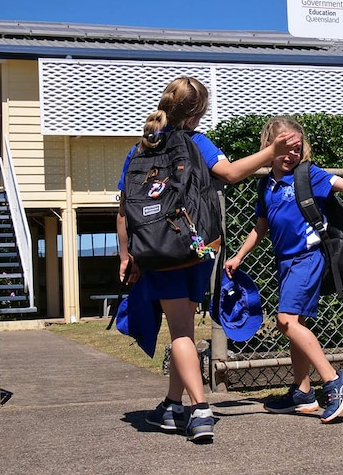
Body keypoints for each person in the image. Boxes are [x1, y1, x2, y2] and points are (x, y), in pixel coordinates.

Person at [116, 77, 301, 442]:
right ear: (195, 115)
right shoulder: (197, 142)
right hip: (200, 247)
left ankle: (190, 409)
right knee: (184, 326)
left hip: (156, 251)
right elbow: (231, 174)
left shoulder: (140, 148)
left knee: (180, 330)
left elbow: (124, 210)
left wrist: (126, 255)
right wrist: (273, 151)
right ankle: (184, 406)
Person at [223, 116, 343, 423]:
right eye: (285, 147)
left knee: (285, 321)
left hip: (308, 257)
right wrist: (239, 257)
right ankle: (302, 393)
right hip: (285, 263)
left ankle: (334, 379)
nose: (292, 155)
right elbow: (261, 227)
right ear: (270, 147)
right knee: (293, 324)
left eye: (297, 149)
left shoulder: (308, 174)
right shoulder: (265, 185)